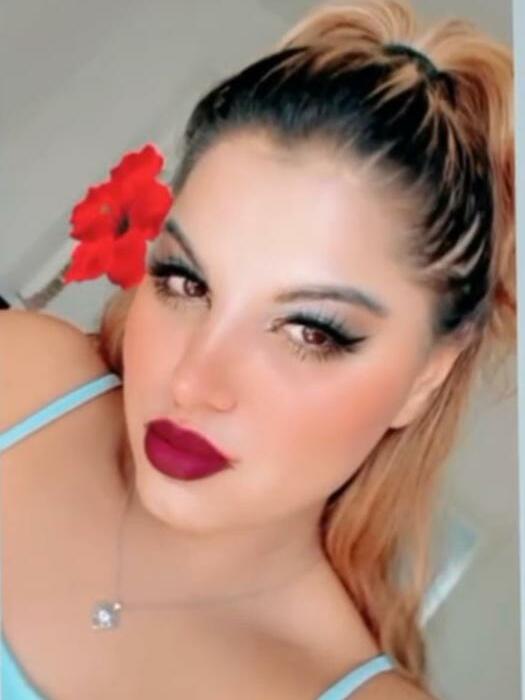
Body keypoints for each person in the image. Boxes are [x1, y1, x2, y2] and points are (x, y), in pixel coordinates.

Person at [1, 0, 515, 697]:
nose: (193, 381)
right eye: (185, 282)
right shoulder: (19, 374)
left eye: (311, 332)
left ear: (426, 377)